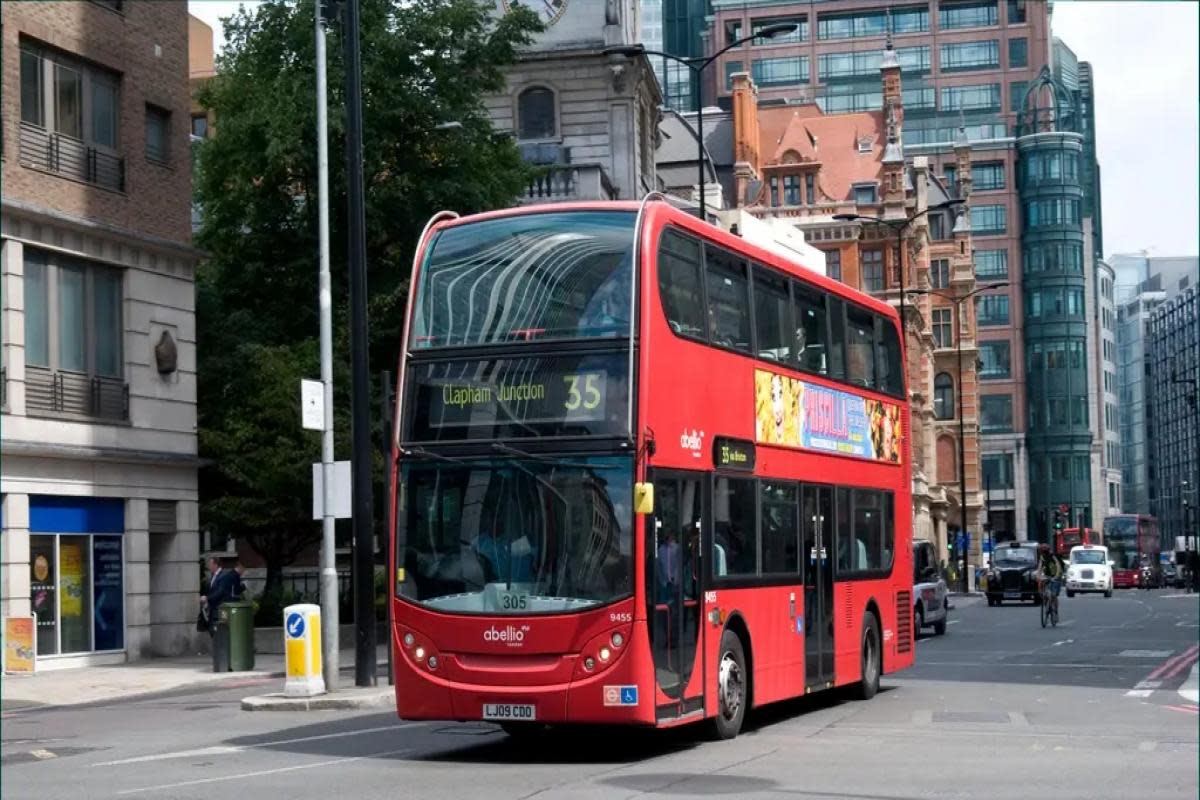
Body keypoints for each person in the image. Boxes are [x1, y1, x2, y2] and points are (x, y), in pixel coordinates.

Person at [199, 555, 240, 635]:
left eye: (210, 564)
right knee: (213, 631)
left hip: (221, 610)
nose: (209, 566)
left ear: (215, 564)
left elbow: (220, 592)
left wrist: (207, 598)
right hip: (213, 610)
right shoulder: (213, 576)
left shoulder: (223, 575)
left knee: (220, 632)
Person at [1037, 543, 1065, 609]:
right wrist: (1038, 576)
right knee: (1042, 585)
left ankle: (1055, 611)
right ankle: (1045, 598)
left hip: (1056, 575)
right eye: (1042, 550)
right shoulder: (1042, 556)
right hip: (1048, 575)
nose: (1043, 552)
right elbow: (1040, 566)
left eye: (1044, 550)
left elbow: (1058, 566)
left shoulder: (1053, 556)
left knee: (1053, 595)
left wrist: (1057, 576)